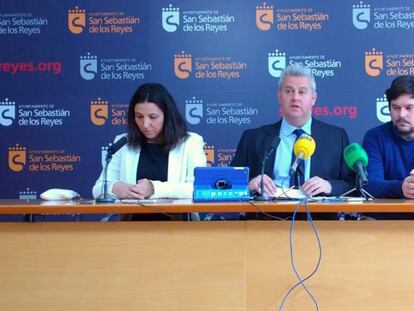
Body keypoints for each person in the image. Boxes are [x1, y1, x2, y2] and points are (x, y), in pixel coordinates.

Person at [231, 64, 354, 201]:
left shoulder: (336, 137)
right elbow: (228, 184)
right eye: (289, 91)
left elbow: (353, 185)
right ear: (279, 96)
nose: (295, 97)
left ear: (313, 98)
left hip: (320, 218)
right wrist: (249, 185)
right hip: (267, 217)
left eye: (302, 92)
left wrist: (330, 186)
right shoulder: (253, 138)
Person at [92, 83, 207, 219]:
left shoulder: (190, 142)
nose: (145, 124)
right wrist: (115, 188)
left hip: (178, 227)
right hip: (130, 227)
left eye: (153, 117)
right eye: (139, 117)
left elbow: (197, 189)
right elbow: (98, 189)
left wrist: (154, 188)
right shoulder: (123, 143)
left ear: (167, 116)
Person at [363, 75, 414, 199]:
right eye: (395, 108)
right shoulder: (375, 137)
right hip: (384, 217)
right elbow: (369, 185)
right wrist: (401, 187)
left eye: (409, 108)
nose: (401, 114)